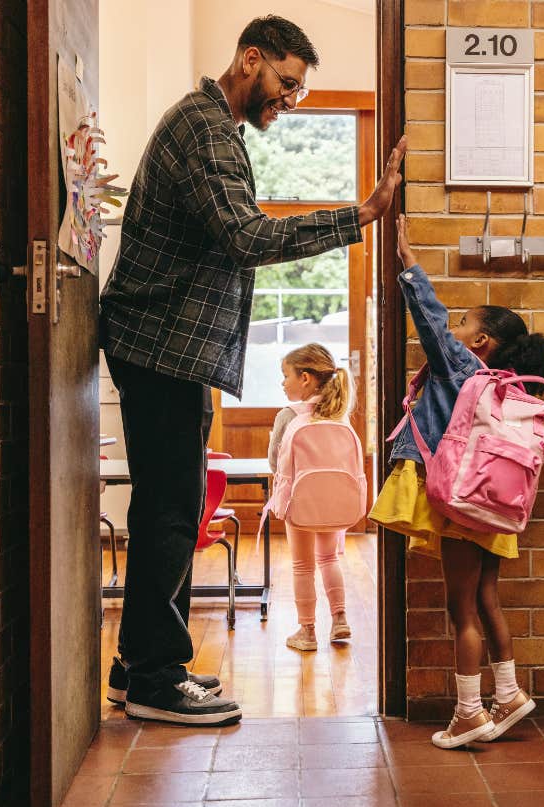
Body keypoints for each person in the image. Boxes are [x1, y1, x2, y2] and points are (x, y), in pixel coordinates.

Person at [99, 15, 407, 725]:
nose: (289, 101)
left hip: (173, 349)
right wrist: (359, 215)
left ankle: (142, 662)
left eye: (299, 92)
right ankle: (152, 678)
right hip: (160, 346)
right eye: (286, 84)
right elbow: (246, 235)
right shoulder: (206, 130)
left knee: (170, 508)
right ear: (250, 59)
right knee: (172, 512)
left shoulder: (216, 127)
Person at [370, 215, 544, 749]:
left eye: (462, 327)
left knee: (461, 609)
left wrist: (408, 262)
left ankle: (469, 714)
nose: (451, 333)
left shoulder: (466, 369)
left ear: (481, 340)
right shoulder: (513, 389)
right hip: (497, 503)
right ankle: (509, 693)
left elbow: (429, 319)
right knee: (487, 598)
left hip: (464, 501)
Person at [268, 344, 356, 651]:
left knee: (302, 566)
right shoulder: (339, 414)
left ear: (305, 378)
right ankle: (340, 618)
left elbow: (273, 461)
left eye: (286, 376)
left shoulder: (288, 416)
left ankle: (307, 632)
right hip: (334, 501)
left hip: (299, 503)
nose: (283, 383)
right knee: (329, 558)